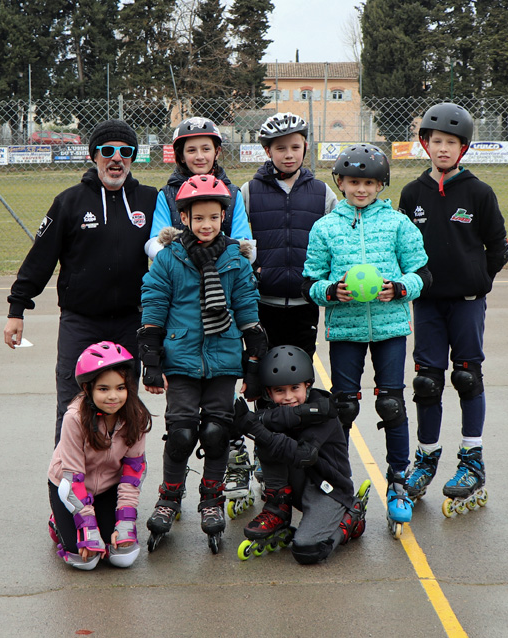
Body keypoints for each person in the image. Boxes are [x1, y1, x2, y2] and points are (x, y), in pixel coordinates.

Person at [302, 143, 432, 538]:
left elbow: (422, 273)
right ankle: (339, 482)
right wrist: (330, 292)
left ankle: (397, 481)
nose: (361, 190)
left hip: (390, 327)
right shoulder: (326, 227)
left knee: (391, 403)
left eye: (370, 183)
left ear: (381, 185)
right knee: (343, 407)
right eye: (354, 182)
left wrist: (399, 288)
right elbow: (311, 280)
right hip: (346, 330)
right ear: (340, 182)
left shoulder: (396, 223)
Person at [4, 119, 158, 445]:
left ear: (133, 157)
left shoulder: (150, 200)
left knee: (125, 406)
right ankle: (66, 483)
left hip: (132, 321)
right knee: (73, 406)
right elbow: (40, 259)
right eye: (107, 151)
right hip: (81, 322)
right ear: (94, 156)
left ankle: (116, 488)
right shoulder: (69, 202)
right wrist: (17, 308)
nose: (116, 159)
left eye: (125, 151)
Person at [138, 174, 266, 555]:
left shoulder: (234, 258)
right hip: (180, 359)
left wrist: (254, 355)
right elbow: (155, 303)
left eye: (214, 217)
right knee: (180, 433)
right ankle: (169, 496)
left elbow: (246, 304)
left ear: (223, 217)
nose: (206, 225)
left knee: (215, 431)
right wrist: (151, 356)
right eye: (198, 219)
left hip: (223, 359)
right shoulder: (170, 258)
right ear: (184, 220)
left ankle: (210, 499)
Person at [397, 103, 508, 517]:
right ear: (425, 144)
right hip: (426, 302)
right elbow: (402, 249)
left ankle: (472, 461)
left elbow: (499, 247)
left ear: (463, 148)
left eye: (451, 143)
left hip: (466, 303)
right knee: (426, 382)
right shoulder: (412, 194)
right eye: (436, 141)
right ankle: (425, 460)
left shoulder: (479, 192)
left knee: (466, 376)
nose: (442, 149)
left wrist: (478, 281)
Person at [224, 112, 339, 516]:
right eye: (279, 148)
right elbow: (238, 241)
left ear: (305, 147)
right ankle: (268, 461)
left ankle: (299, 460)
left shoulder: (323, 193)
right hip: (263, 305)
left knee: (296, 384)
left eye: (295, 146)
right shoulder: (249, 192)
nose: (288, 154)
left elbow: (335, 243)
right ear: (266, 151)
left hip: (305, 304)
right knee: (262, 385)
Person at [232, 345, 371, 564]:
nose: (289, 397)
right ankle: (278, 507)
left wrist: (255, 428)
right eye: (280, 391)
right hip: (297, 485)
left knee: (307, 550)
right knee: (268, 436)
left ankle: (351, 516)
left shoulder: (324, 412)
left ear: (308, 385)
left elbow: (304, 455)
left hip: (329, 489)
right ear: (269, 392)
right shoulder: (273, 413)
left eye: (295, 388)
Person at [47, 341, 152, 570]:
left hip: (108, 486)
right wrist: (87, 526)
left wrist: (125, 522)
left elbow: (132, 474)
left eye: (120, 387)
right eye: (103, 389)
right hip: (69, 486)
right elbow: (73, 479)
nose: (113, 396)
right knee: (86, 561)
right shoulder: (74, 418)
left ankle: (103, 521)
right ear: (88, 389)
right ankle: (58, 520)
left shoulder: (137, 416)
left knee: (123, 557)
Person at [144, 116, 254, 263]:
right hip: (180, 271)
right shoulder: (167, 194)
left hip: (222, 272)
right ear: (181, 156)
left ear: (217, 152)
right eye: (191, 150)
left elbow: (244, 245)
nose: (200, 156)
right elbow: (157, 243)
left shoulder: (233, 193)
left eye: (206, 149)